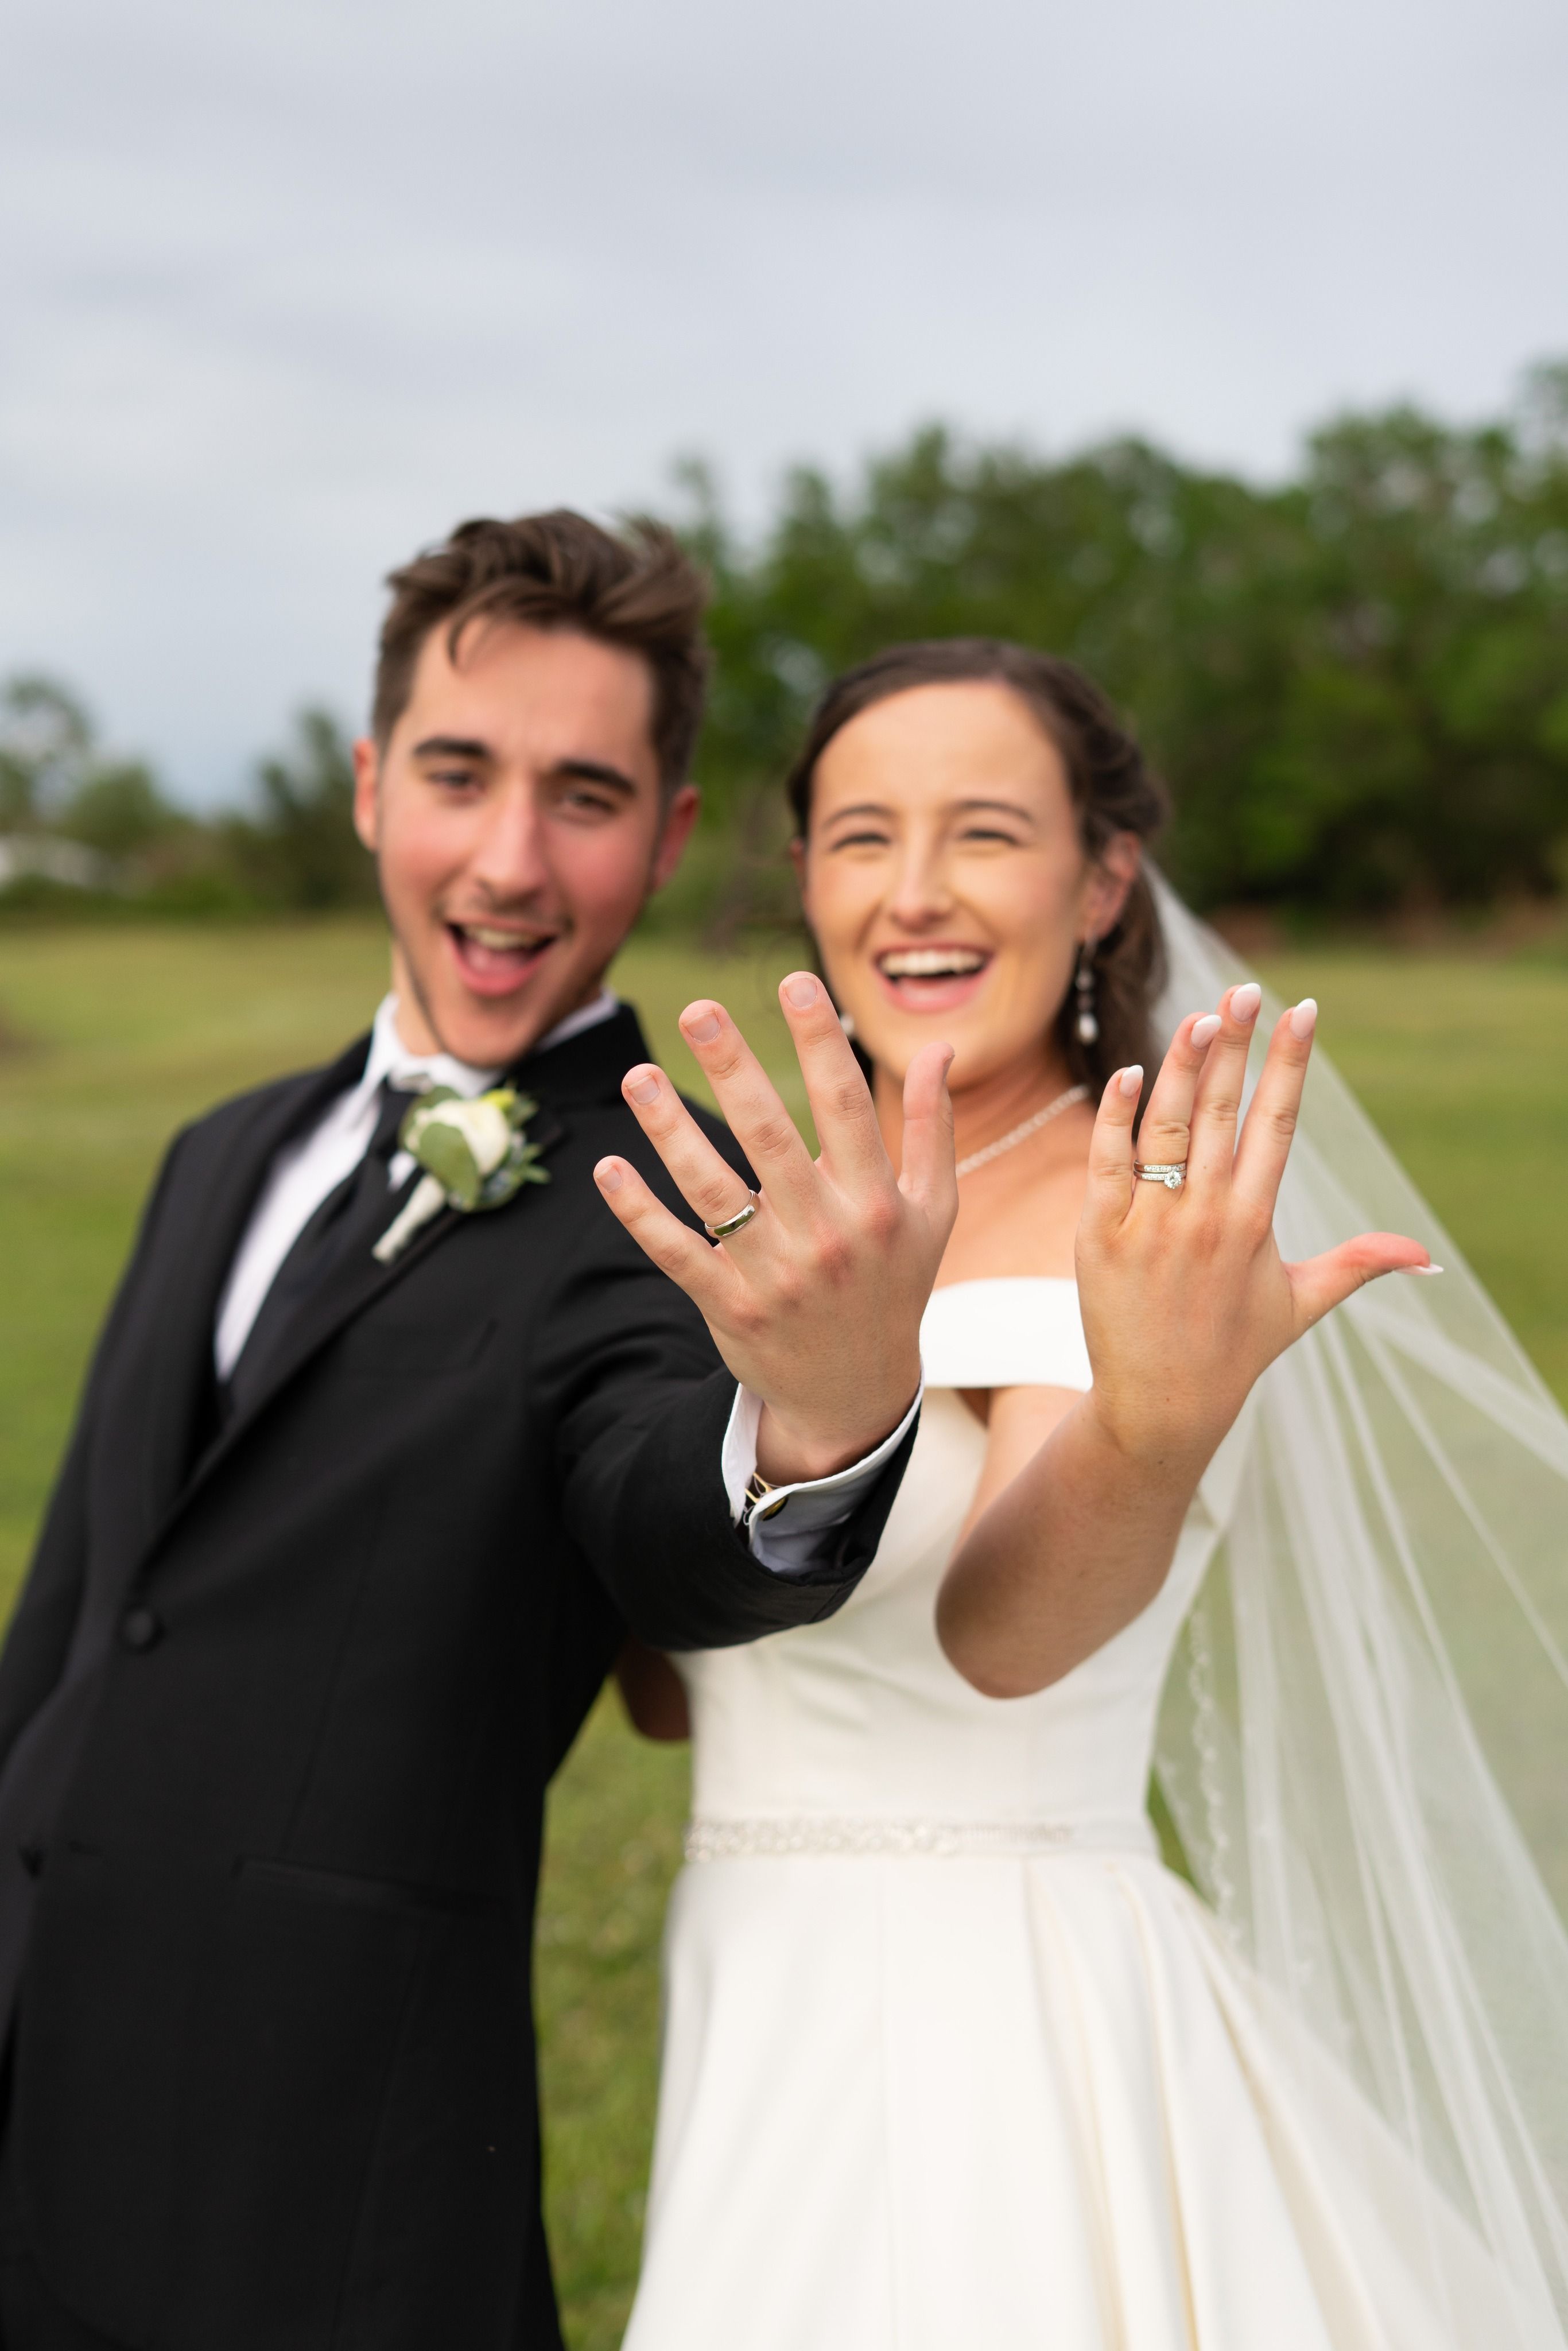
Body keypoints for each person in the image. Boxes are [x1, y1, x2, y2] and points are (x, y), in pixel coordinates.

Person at [0, 517, 959, 2351]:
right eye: (460, 775)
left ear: (667, 836)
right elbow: (79, 1616)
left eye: (583, 796)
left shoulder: (659, 1197)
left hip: (319, 2161)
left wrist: (821, 1406)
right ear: (371, 787)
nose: (510, 861)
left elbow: (667, 1497)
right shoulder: (226, 1151)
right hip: (40, 2056)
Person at [615, 638, 1568, 2349]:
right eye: (857, 835)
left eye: (983, 831)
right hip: (755, 1969)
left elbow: (1006, 1631)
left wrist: (1153, 1419)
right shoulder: (794, 1207)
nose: (913, 893)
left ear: (1102, 877)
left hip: (982, 2026)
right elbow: (691, 1674)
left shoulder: (1127, 1211)